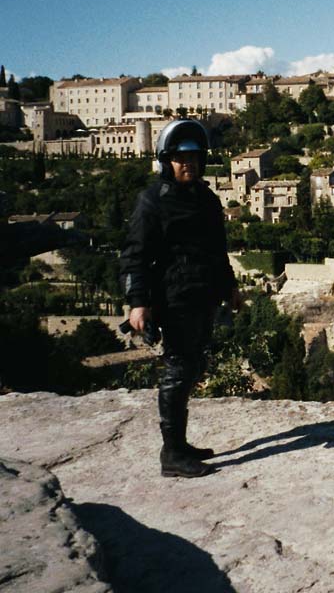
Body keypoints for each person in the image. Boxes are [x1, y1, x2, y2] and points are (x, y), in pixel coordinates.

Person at [119, 119, 241, 478]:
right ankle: (171, 453)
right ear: (166, 161)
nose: (188, 163)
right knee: (179, 368)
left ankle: (180, 443)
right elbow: (134, 255)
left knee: (192, 367)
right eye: (179, 157)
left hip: (202, 295)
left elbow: (217, 250)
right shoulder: (152, 201)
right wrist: (138, 302)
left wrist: (230, 287)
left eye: (193, 157)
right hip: (172, 298)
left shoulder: (206, 199)